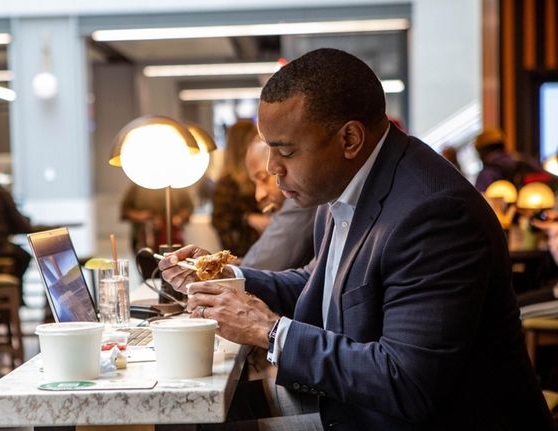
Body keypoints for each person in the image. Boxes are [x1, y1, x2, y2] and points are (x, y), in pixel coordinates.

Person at [160, 48, 552, 430]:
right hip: (356, 403)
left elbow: (406, 383)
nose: (272, 169)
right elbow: (322, 286)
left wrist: (270, 330)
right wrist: (230, 278)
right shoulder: (347, 184)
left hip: (416, 417)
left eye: (286, 151)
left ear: (349, 139)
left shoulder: (435, 213)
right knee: (186, 416)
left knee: (196, 421)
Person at [241, 135, 316, 271]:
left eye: (263, 178)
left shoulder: (301, 203)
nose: (259, 195)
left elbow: (259, 267)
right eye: (254, 183)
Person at [211, 119, 262, 257]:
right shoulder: (227, 183)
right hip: (242, 253)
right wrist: (249, 218)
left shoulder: (257, 178)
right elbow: (221, 222)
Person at [121, 183, 193, 252]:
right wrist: (139, 215)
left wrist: (179, 218)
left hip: (172, 235)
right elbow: (125, 209)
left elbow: (188, 207)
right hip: (143, 237)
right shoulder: (138, 184)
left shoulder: (176, 184)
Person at [474, 128, 544, 191]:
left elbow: (478, 200)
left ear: (483, 150)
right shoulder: (526, 162)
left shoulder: (487, 174)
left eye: (479, 152)